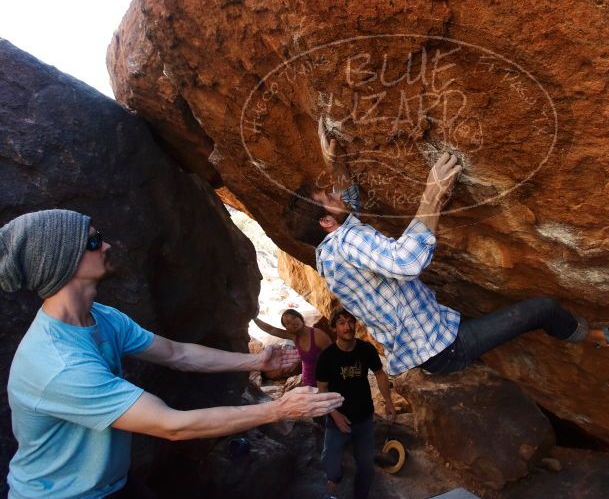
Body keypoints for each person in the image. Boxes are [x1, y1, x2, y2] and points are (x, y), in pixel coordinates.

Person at [0, 209, 344, 498]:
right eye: (92, 241)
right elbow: (171, 425)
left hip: (112, 485)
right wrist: (279, 410)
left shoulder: (102, 318)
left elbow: (177, 353)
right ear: (61, 262)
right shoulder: (59, 364)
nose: (106, 245)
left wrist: (254, 361)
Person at [282, 119, 609, 377]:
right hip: (445, 349)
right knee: (543, 308)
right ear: (326, 223)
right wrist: (433, 193)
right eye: (326, 198)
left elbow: (351, 209)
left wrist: (336, 164)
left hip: (425, 349)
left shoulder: (326, 253)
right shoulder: (345, 240)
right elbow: (406, 262)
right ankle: (594, 338)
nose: (334, 193)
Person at [316, 308, 395, 499]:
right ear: (334, 328)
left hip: (364, 417)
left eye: (350, 321)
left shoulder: (366, 349)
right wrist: (334, 414)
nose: (347, 326)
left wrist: (389, 402)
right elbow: (322, 389)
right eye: (341, 323)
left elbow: (380, 374)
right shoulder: (327, 357)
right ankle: (334, 479)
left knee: (366, 466)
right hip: (337, 417)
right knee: (330, 462)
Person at [253, 308, 332, 387]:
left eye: (294, 318)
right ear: (287, 329)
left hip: (323, 383)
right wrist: (255, 318)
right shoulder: (294, 337)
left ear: (300, 317)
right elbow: (271, 330)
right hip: (307, 381)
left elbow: (333, 358)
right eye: (288, 323)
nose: (293, 323)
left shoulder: (318, 335)